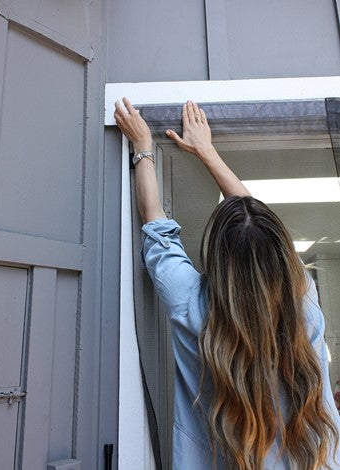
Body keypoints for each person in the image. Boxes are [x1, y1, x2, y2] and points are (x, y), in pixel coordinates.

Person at [114, 98, 340, 470]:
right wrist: (208, 152)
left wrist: (143, 149)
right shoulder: (304, 304)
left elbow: (154, 221)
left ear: (216, 257)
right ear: (282, 255)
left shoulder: (191, 304)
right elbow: (261, 226)